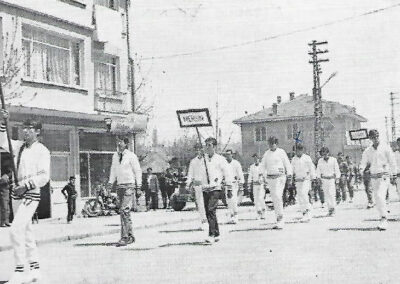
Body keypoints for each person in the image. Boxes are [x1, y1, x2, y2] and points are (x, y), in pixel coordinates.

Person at [0, 111, 50, 284]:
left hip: (30, 193)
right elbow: (3, 142)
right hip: (16, 193)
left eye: (29, 129)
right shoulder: (19, 146)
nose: (25, 131)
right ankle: (35, 269)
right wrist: (2, 122)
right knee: (27, 232)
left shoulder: (42, 150)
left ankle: (20, 270)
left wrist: (26, 185)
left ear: (37, 131)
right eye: (24, 128)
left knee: (15, 229)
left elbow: (44, 177)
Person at [188, 137, 232, 243]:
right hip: (205, 188)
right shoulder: (203, 159)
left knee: (211, 209)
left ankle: (211, 234)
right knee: (209, 211)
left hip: (215, 188)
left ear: (214, 146)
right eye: (206, 145)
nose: (207, 147)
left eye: (209, 145)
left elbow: (227, 173)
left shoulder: (220, 159)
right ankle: (216, 233)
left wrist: (229, 187)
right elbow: (197, 170)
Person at [359, 129, 397, 230]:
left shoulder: (385, 147)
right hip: (374, 177)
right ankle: (382, 216)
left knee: (380, 196)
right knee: (377, 198)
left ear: (378, 136)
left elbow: (392, 161)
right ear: (370, 138)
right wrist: (361, 170)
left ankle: (384, 218)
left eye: (376, 136)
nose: (375, 139)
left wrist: (394, 174)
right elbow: (363, 162)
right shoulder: (368, 151)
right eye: (373, 137)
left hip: (384, 176)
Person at [108, 136, 142, 247]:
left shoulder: (131, 156)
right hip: (120, 186)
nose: (118, 143)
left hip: (129, 185)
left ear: (126, 144)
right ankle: (131, 235)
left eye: (121, 141)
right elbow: (113, 170)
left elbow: (137, 171)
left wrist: (138, 186)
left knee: (124, 209)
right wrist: (110, 183)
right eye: (117, 141)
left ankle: (124, 237)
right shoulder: (115, 156)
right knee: (124, 211)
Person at [260, 136, 293, 229]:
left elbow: (287, 164)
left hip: (280, 177)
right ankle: (278, 218)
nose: (271, 145)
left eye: (273, 143)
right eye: (270, 143)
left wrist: (289, 175)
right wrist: (261, 175)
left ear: (276, 143)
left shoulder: (281, 152)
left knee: (278, 196)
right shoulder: (266, 154)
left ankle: (281, 218)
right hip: (271, 179)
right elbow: (263, 166)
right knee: (274, 198)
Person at [291, 144, 316, 222]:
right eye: (296, 150)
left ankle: (308, 211)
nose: (297, 152)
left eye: (299, 150)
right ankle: (304, 213)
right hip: (298, 180)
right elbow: (291, 169)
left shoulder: (307, 158)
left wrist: (313, 178)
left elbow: (312, 168)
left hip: (306, 179)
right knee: (300, 197)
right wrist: (291, 177)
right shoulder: (294, 159)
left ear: (302, 150)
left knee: (304, 194)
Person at [187, 143, 208, 230]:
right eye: (197, 149)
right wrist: (189, 184)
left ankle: (209, 220)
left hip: (207, 185)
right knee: (200, 204)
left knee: (207, 204)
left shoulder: (207, 160)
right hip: (198, 185)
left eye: (201, 149)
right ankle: (204, 221)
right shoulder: (193, 161)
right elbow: (190, 174)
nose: (199, 151)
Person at [316, 147, 340, 217]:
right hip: (324, 179)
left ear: (328, 153)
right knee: (326, 195)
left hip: (331, 179)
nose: (325, 154)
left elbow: (337, 169)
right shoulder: (320, 161)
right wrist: (318, 178)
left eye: (326, 152)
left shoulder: (333, 160)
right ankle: (329, 209)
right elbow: (318, 170)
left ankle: (333, 209)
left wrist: (337, 178)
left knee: (331, 194)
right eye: (323, 153)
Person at [224, 149, 244, 224]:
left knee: (234, 200)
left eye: (229, 154)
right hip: (227, 184)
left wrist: (241, 183)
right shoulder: (224, 163)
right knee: (228, 201)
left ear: (232, 154)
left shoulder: (236, 163)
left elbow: (240, 174)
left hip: (234, 183)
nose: (228, 156)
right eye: (226, 155)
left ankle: (236, 216)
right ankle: (231, 216)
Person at [248, 153, 266, 220]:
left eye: (256, 158)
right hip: (255, 185)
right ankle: (258, 213)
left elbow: (265, 175)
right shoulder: (252, 167)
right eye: (254, 159)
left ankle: (263, 211)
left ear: (259, 159)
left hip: (261, 185)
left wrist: (265, 183)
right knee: (256, 200)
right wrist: (249, 184)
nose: (255, 160)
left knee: (261, 198)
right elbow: (250, 176)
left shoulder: (262, 166)